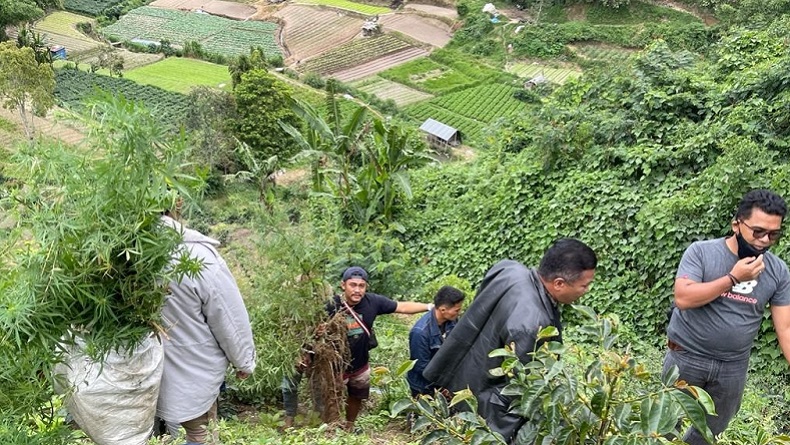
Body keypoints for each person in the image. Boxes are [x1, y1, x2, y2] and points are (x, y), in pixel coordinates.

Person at [423, 238, 597, 442]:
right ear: (559, 283)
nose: (586, 291)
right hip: (483, 398)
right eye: (584, 285)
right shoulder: (533, 324)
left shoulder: (509, 269)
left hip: (461, 373)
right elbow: (521, 390)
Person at [663, 189, 790, 445]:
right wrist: (733, 278)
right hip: (686, 357)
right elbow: (684, 298)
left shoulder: (778, 271)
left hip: (732, 367)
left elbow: (786, 328)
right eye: (758, 231)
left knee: (710, 433)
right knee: (665, 427)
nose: (765, 240)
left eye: (773, 234)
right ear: (736, 224)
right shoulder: (701, 252)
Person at [157, 214, 257, 445]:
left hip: (134, 377)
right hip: (191, 372)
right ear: (174, 208)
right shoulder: (197, 256)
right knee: (199, 435)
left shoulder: (119, 254)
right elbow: (228, 316)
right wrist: (243, 361)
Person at [327, 266, 433, 433]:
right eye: (352, 285)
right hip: (335, 367)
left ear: (366, 287)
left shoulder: (373, 302)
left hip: (360, 364)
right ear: (343, 285)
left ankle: (349, 427)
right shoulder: (331, 305)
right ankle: (330, 429)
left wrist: (429, 307)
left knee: (356, 396)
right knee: (331, 399)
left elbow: (402, 307)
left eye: (361, 286)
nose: (357, 290)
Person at [407, 286, 465, 397]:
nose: (459, 312)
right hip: (423, 387)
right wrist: (442, 385)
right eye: (457, 310)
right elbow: (422, 367)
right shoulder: (420, 333)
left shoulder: (452, 322)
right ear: (443, 310)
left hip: (442, 381)